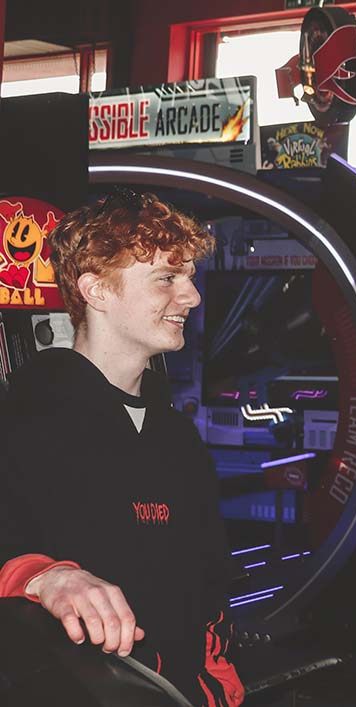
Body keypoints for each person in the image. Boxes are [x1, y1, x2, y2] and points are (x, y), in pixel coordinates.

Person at [0, 188, 243, 707]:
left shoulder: (177, 438)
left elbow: (210, 590)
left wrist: (216, 684)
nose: (191, 298)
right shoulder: (21, 420)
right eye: (166, 278)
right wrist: (47, 577)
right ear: (97, 291)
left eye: (189, 278)